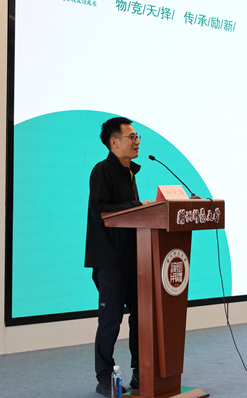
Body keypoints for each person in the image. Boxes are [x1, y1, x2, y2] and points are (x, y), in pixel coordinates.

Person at [84, 117, 153, 396]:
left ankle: (140, 372)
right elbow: (103, 211)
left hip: (135, 258)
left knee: (140, 318)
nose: (137, 142)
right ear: (114, 142)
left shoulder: (130, 173)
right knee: (111, 320)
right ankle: (104, 377)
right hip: (110, 259)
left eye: (137, 137)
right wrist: (139, 206)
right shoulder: (102, 170)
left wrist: (144, 208)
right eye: (131, 137)